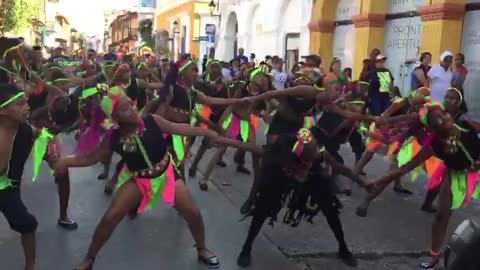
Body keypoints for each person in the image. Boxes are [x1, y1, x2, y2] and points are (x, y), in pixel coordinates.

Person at [53, 88, 260, 270]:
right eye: (125, 109)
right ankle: (89, 259)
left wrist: (204, 131)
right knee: (111, 216)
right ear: (115, 118)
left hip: (166, 173)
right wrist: (67, 161)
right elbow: (91, 157)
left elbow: (179, 128)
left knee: (192, 212)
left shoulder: (152, 121)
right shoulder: (113, 138)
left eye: (131, 105)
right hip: (139, 181)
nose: (133, 110)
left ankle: (202, 248)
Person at [0, 84, 39, 270]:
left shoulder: (26, 131)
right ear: (3, 111)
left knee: (27, 223)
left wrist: (53, 158)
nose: (27, 107)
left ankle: (30, 265)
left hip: (7, 187)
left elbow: (42, 142)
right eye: (20, 103)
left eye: (26, 102)